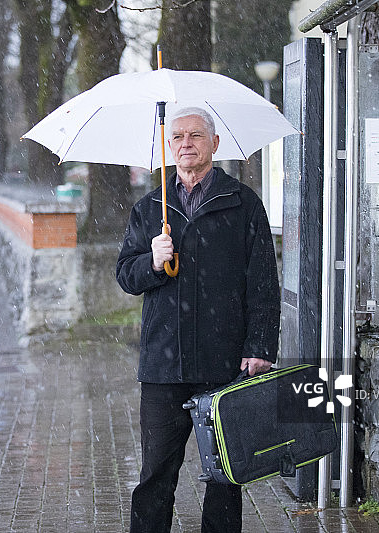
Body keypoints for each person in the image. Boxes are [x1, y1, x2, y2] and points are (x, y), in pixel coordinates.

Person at [116, 107, 280, 533]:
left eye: (195, 136)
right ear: (169, 148)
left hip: (223, 362)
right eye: (177, 138)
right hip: (162, 366)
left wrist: (260, 347)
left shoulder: (242, 204)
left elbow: (263, 283)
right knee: (155, 476)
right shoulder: (151, 207)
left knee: (225, 476)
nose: (185, 144)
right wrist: (151, 262)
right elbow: (125, 276)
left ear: (214, 144)